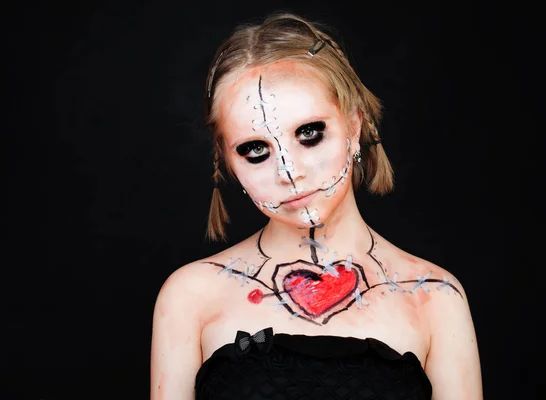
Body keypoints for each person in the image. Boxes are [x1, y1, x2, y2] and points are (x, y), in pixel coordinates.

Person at [150, 11, 482, 400]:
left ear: (354, 126)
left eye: (310, 134)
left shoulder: (434, 296)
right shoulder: (191, 296)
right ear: (226, 163)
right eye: (255, 150)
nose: (289, 173)